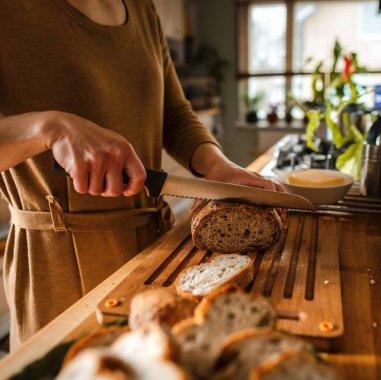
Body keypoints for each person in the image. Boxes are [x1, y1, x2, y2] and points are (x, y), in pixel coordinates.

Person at [0, 0, 280, 349]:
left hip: (155, 252)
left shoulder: (142, 9)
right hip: (58, 273)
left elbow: (174, 114)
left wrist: (219, 168)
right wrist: (48, 128)